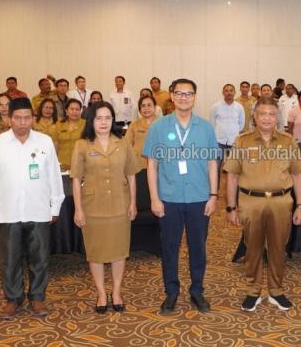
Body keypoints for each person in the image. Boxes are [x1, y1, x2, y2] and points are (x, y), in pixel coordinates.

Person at [0, 97, 65, 319]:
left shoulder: (45, 141)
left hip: (38, 210)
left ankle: (37, 298)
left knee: (39, 258)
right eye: (17, 118)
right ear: (9, 119)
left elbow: (54, 176)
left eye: (27, 117)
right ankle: (13, 299)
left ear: (33, 119)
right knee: (9, 260)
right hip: (8, 212)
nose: (23, 122)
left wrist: (55, 205)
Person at [142, 78, 218, 315]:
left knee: (198, 247)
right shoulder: (158, 127)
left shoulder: (205, 127)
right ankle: (171, 292)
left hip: (198, 197)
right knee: (170, 247)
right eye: (180, 93)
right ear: (172, 97)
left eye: (189, 94)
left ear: (195, 97)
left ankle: (197, 291)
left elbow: (212, 163)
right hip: (169, 198)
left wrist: (214, 195)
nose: (184, 97)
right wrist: (154, 198)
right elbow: (152, 166)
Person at [224, 97, 301, 312]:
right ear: (255, 116)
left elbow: (297, 175)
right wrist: (231, 207)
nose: (267, 118)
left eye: (271, 114)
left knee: (279, 248)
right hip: (251, 202)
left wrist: (300, 206)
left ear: (277, 117)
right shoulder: (242, 141)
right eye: (262, 114)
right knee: (253, 249)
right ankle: (254, 290)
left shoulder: (288, 141)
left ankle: (276, 291)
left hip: (281, 202)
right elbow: (231, 176)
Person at [72, 102, 138, 313]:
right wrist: (78, 209)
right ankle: (101, 292)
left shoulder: (123, 143)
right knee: (96, 251)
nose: (103, 122)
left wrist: (133, 203)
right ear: (91, 121)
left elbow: (131, 175)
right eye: (98, 118)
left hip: (120, 203)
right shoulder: (82, 145)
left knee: (119, 250)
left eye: (107, 118)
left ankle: (117, 291)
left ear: (113, 120)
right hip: (93, 207)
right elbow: (75, 179)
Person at [210, 84, 245, 173]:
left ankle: (233, 187)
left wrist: (234, 132)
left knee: (233, 168)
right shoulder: (216, 106)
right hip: (218, 140)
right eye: (226, 90)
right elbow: (212, 123)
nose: (229, 92)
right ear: (223, 92)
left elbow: (241, 124)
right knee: (217, 166)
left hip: (234, 141)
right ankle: (215, 187)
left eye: (231, 90)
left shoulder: (239, 107)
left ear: (234, 92)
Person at [125, 95, 159, 170]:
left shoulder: (163, 124)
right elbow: (127, 145)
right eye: (143, 106)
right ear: (139, 109)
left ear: (155, 107)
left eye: (149, 105)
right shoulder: (134, 125)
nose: (146, 108)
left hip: (159, 166)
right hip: (138, 166)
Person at [56, 99, 85, 171]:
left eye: (77, 109)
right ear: (66, 111)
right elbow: (56, 144)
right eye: (72, 109)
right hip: (62, 166)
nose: (74, 112)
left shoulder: (86, 124)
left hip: (80, 165)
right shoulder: (59, 124)